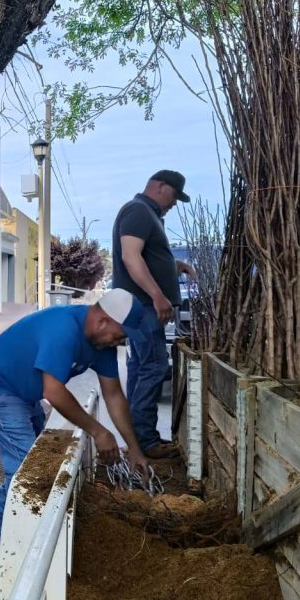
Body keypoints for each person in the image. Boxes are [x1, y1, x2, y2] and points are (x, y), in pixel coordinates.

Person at [0, 289, 149, 545]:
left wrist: (134, 448)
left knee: (34, 458)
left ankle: (2, 528)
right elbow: (53, 391)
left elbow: (114, 396)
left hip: (23, 393)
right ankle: (5, 538)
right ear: (103, 321)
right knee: (26, 467)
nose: (119, 343)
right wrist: (99, 431)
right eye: (121, 337)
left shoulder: (102, 344)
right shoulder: (63, 329)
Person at [111, 170, 197, 460]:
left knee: (141, 367)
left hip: (143, 306)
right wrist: (158, 296)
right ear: (160, 187)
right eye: (174, 196)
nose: (174, 203)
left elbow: (147, 259)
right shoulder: (138, 211)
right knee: (155, 366)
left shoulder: (148, 215)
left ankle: (137, 437)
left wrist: (176, 266)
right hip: (142, 307)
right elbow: (130, 257)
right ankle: (146, 441)